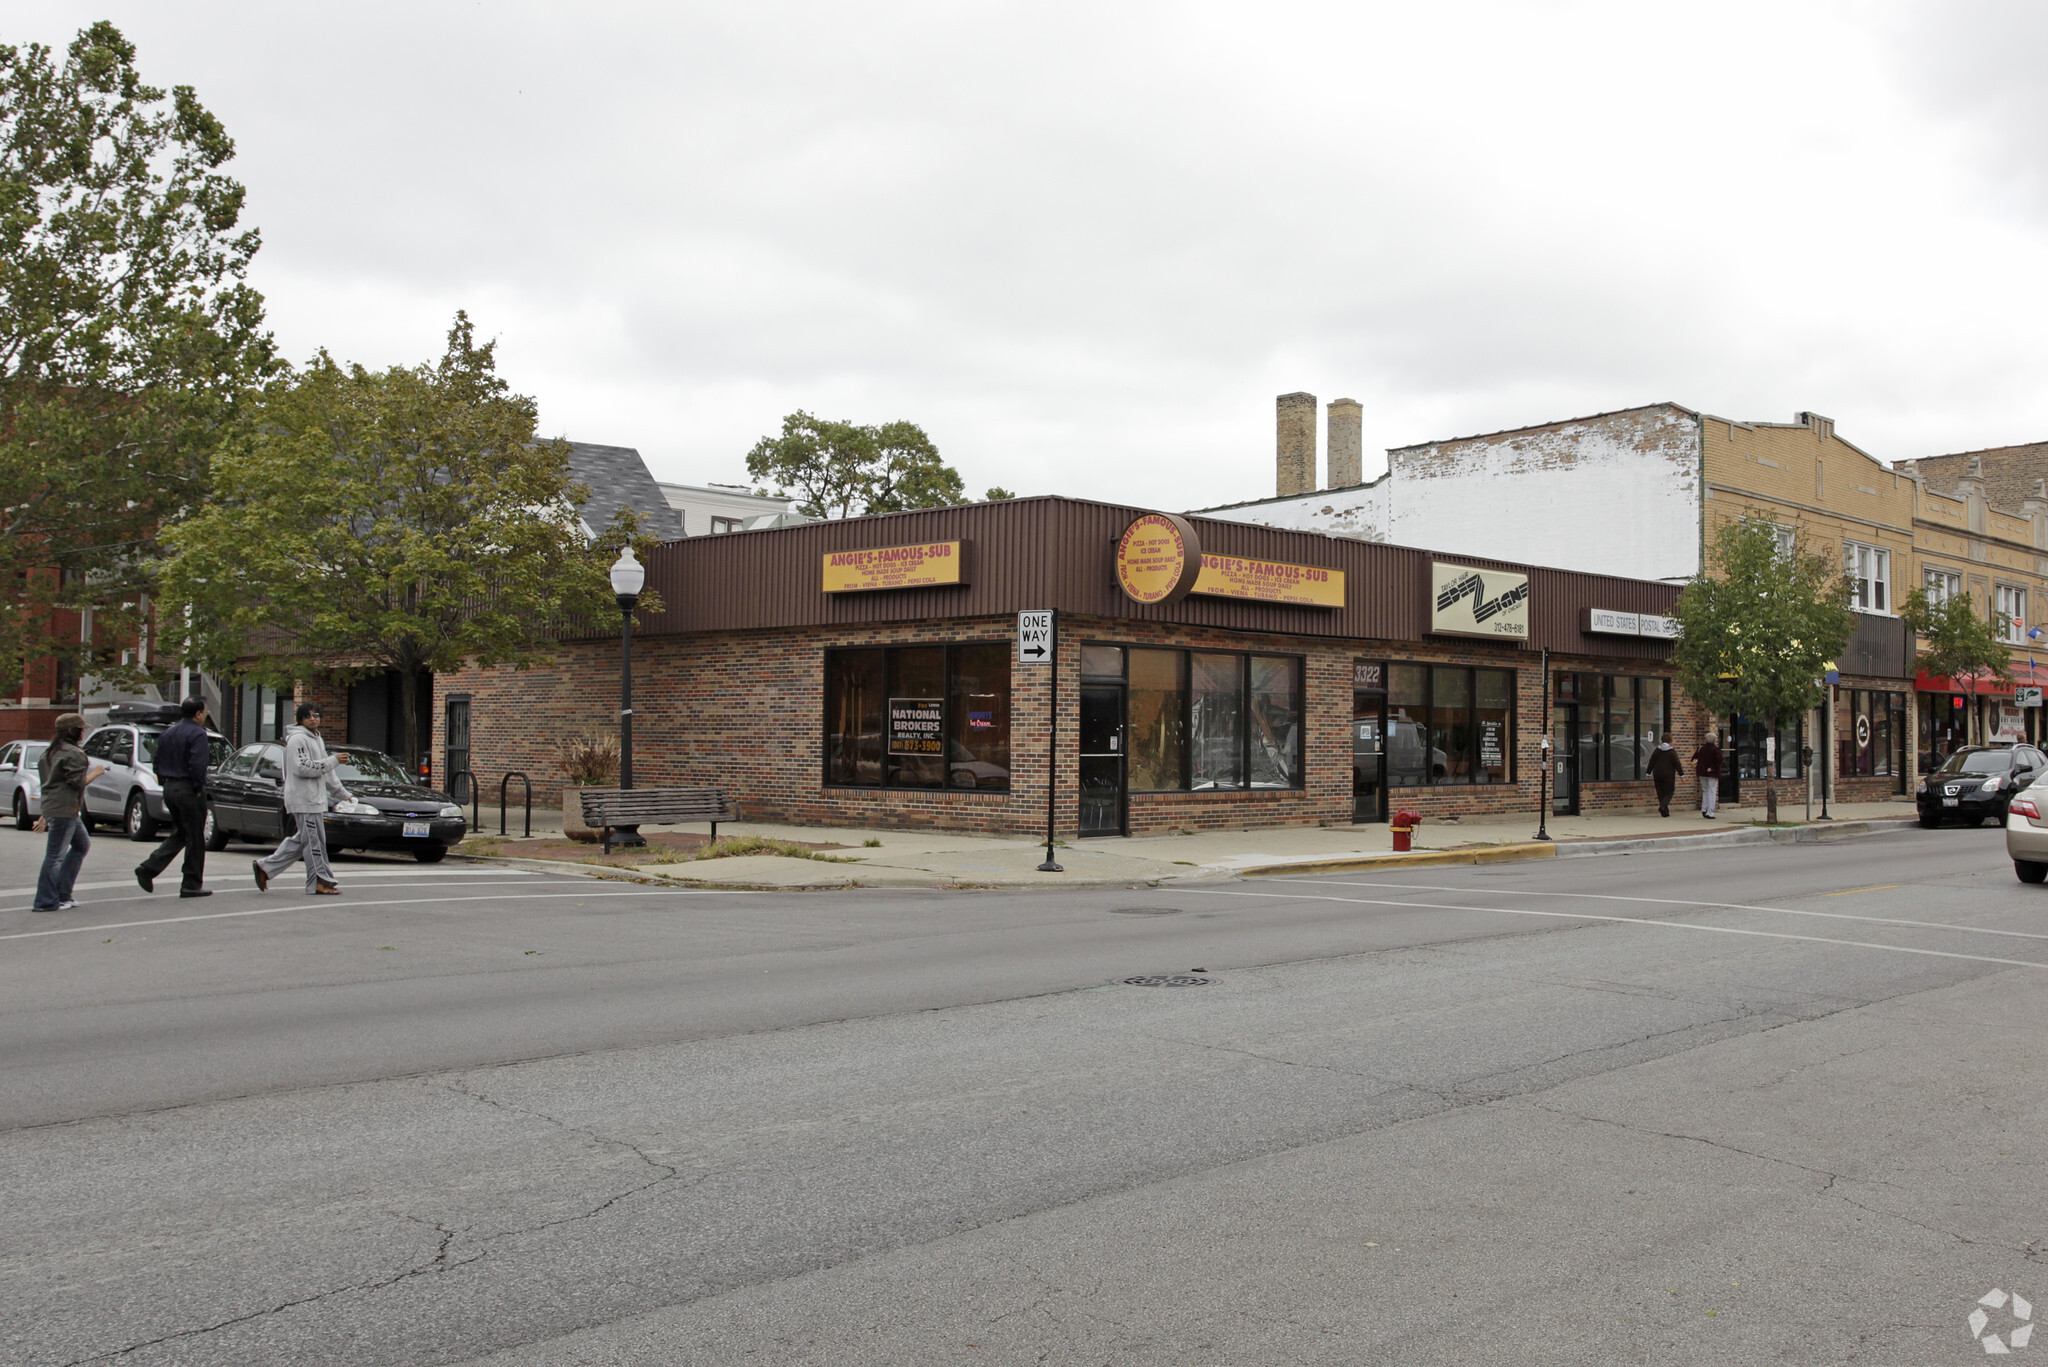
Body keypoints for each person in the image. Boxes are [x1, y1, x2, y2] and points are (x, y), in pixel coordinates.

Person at [252, 703, 353, 896]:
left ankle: (265, 867)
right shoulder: (297, 739)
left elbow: (326, 772)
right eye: (308, 717)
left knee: (305, 840)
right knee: (314, 843)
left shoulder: (316, 738)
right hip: (303, 799)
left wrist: (343, 794)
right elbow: (302, 768)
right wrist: (333, 760)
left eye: (316, 715)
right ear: (300, 720)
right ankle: (319, 882)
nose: (313, 719)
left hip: (314, 800)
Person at [135, 697, 215, 899]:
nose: (205, 716)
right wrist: (197, 787)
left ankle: (149, 868)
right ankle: (191, 884)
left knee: (181, 833)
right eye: (204, 712)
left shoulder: (168, 732)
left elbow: (157, 760)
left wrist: (164, 782)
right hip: (187, 788)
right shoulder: (198, 733)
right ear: (198, 714)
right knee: (195, 838)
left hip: (170, 787)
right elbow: (198, 764)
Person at [31, 714, 105, 912]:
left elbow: (49, 784)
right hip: (65, 809)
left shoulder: (50, 751)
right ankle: (46, 901)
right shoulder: (73, 753)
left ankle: (63, 894)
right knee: (55, 856)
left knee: (81, 845)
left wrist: (46, 813)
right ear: (73, 731)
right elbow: (77, 782)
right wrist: (96, 773)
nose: (83, 732)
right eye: (81, 729)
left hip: (57, 807)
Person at [1646, 731, 1683, 818]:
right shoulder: (1671, 751)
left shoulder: (1657, 750)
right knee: (1669, 791)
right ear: (1670, 740)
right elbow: (1677, 763)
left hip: (1657, 773)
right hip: (1668, 774)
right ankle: (1663, 806)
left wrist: (1648, 772)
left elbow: (1651, 761)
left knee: (1660, 792)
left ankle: (1665, 812)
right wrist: (1681, 775)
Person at [1692, 734, 1724, 819]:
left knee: (1705, 790)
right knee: (1712, 791)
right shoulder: (1716, 749)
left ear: (1705, 740)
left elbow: (1694, 759)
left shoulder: (1701, 748)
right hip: (1712, 773)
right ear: (1714, 740)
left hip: (1702, 773)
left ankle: (1704, 809)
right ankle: (1710, 812)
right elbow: (1720, 760)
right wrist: (1712, 768)